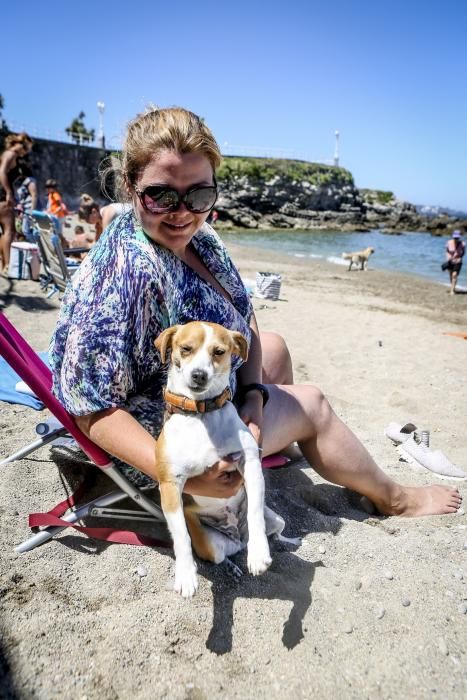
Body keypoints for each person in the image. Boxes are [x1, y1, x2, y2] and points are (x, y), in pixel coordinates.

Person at [50, 106, 461, 517]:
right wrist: (186, 476)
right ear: (130, 185)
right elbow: (92, 410)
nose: (181, 212)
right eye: (161, 195)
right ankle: (396, 500)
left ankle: (277, 443)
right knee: (313, 404)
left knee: (274, 348)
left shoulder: (199, 238)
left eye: (199, 195)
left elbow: (243, 315)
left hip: (197, 387)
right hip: (162, 436)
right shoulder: (123, 274)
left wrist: (253, 398)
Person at [0, 132, 33, 272]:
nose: (25, 152)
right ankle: (7, 265)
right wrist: (8, 193)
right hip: (2, 196)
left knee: (4, 231)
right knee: (10, 231)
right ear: (20, 145)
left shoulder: (7, 154)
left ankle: (4, 264)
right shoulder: (11, 154)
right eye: (26, 149)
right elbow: (1, 172)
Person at [445, 230, 465, 295]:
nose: (456, 239)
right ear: (453, 237)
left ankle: (452, 291)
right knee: (451, 275)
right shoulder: (448, 242)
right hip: (450, 261)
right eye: (455, 238)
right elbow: (447, 251)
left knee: (454, 275)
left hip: (458, 261)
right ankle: (453, 287)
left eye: (457, 238)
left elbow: (463, 252)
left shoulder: (463, 244)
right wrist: (448, 258)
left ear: (459, 237)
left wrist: (460, 258)